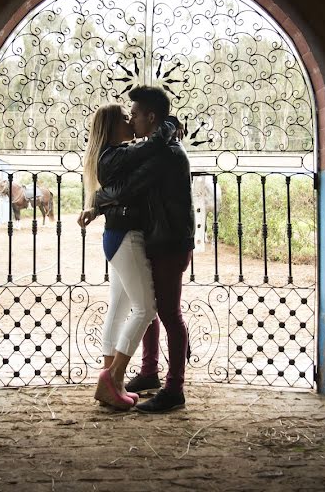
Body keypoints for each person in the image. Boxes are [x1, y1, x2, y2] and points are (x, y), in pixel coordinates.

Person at [82, 86, 195, 413]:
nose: (131, 120)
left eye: (134, 114)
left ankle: (174, 389)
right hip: (155, 239)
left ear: (150, 117)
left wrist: (98, 201)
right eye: (126, 116)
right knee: (148, 308)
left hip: (169, 242)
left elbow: (127, 189)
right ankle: (147, 372)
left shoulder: (166, 153)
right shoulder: (153, 147)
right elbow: (128, 188)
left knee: (166, 312)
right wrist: (100, 206)